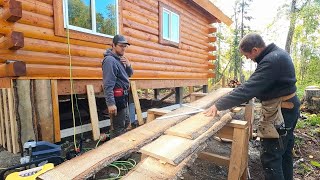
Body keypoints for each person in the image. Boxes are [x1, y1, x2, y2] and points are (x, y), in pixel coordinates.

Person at [204, 33, 300, 180]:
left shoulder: (272, 60)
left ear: (255, 50)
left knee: (271, 157)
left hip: (281, 111)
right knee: (284, 152)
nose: (247, 58)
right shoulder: (276, 55)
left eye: (246, 55)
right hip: (287, 108)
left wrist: (219, 105)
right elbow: (255, 85)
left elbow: (249, 89)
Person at [102, 34, 133, 138]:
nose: (123, 48)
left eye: (125, 46)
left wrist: (128, 65)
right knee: (118, 127)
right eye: (121, 45)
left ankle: (123, 149)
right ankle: (116, 152)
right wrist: (110, 103)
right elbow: (108, 84)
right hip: (117, 97)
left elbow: (129, 74)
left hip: (124, 97)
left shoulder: (120, 59)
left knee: (126, 122)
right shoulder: (110, 60)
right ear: (113, 45)